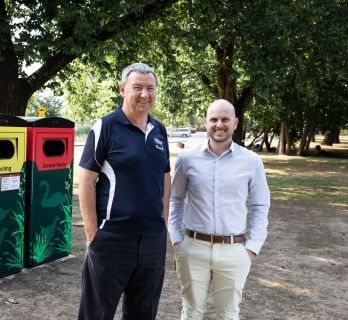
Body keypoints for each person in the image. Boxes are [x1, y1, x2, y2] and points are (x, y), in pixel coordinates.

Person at [78, 63, 171, 320]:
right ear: (122, 89)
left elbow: (164, 176)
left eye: (150, 88)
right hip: (112, 239)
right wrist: (92, 234)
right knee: (97, 313)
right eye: (137, 87)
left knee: (143, 312)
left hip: (152, 240)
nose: (144, 94)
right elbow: (86, 181)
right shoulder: (106, 126)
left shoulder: (159, 130)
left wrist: (162, 221)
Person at [168, 99, 270, 320]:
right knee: (191, 312)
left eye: (225, 119)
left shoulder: (251, 161)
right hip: (193, 247)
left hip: (234, 249)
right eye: (214, 119)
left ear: (235, 122)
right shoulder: (187, 159)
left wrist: (251, 248)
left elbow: (260, 205)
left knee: (228, 315)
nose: (219, 124)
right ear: (206, 122)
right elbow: (175, 200)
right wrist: (177, 242)